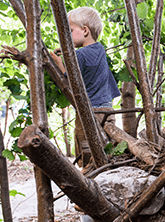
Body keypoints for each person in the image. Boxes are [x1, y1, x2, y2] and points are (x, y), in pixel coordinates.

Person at [49, 7, 120, 167]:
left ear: (85, 30)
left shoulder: (80, 55)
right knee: (108, 145)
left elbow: (69, 74)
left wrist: (59, 61)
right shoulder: (100, 49)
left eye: (70, 30)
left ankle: (88, 173)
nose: (67, 36)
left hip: (90, 110)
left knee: (86, 146)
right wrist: (70, 53)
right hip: (107, 108)